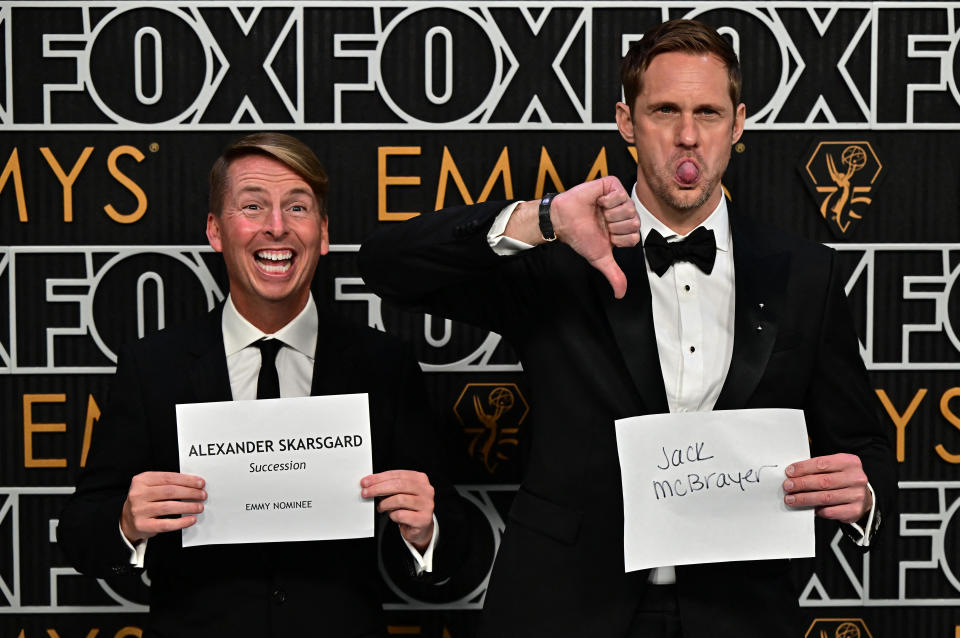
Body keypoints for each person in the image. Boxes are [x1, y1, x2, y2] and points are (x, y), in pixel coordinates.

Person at [358, 18, 896, 638]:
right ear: (626, 121)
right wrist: (542, 219)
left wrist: (866, 497)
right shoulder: (557, 255)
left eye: (709, 113)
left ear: (739, 123)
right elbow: (385, 267)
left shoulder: (807, 273)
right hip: (564, 608)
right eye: (664, 110)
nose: (688, 136)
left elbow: (864, 444)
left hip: (739, 613)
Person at [59, 133, 462, 638]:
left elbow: (455, 544)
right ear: (215, 231)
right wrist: (126, 522)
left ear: (323, 232)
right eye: (252, 206)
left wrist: (426, 531)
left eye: (297, 207)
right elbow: (79, 537)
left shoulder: (384, 364)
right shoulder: (152, 366)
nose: (276, 227)